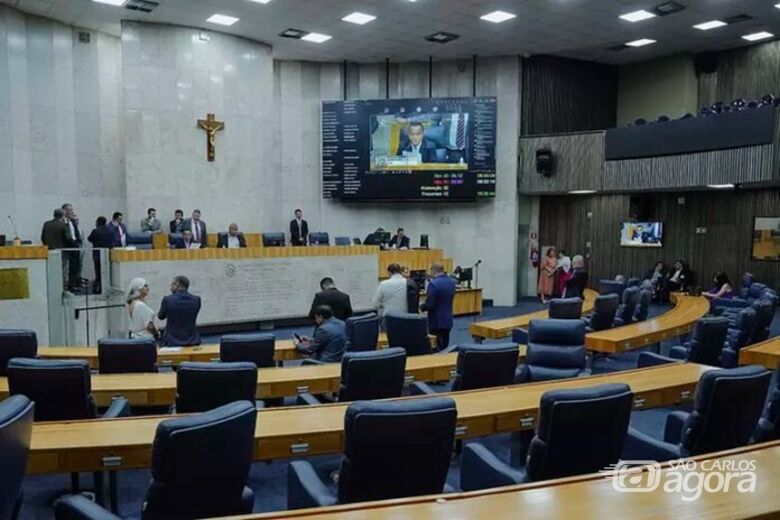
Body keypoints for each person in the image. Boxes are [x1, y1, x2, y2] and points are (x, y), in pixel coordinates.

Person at [420, 263, 456, 350]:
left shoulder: (433, 284)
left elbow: (430, 304)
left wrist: (421, 306)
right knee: (445, 346)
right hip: (448, 319)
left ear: (433, 270)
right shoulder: (451, 282)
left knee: (436, 347)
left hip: (436, 321)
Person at [157, 275, 201, 346]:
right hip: (192, 340)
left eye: (172, 284)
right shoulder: (196, 299)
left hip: (171, 341)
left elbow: (160, 316)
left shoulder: (168, 300)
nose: (170, 288)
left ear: (177, 284)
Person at [87, 216, 114, 293]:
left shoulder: (95, 231)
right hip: (108, 254)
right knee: (107, 271)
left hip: (97, 255)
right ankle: (106, 288)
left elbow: (89, 239)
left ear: (97, 222)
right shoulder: (110, 231)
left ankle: (98, 288)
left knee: (98, 272)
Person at [62, 203, 83, 292]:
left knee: (74, 267)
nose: (72, 212)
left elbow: (76, 233)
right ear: (65, 211)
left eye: (72, 210)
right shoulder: (62, 222)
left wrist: (78, 243)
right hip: (67, 247)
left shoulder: (72, 222)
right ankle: (66, 286)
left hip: (75, 246)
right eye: (70, 210)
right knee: (66, 268)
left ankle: (73, 285)